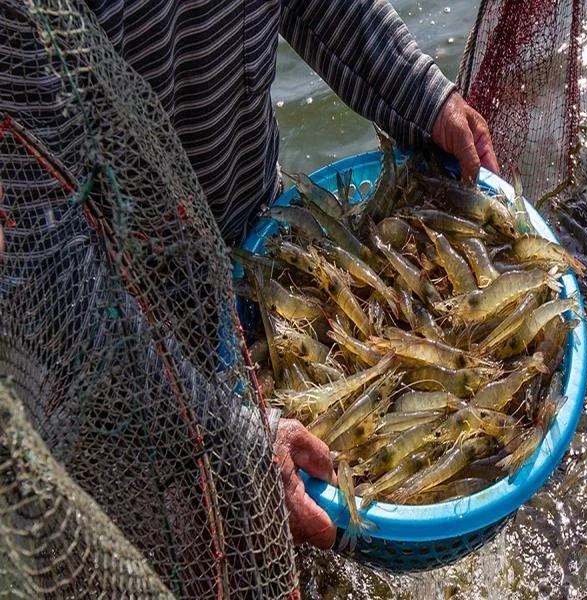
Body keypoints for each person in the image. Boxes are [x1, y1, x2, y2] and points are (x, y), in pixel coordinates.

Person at [1, 0, 499, 555]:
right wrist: (228, 434)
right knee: (186, 546)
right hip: (124, 342)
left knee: (295, 514)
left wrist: (426, 99)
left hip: (254, 244)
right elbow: (39, 260)